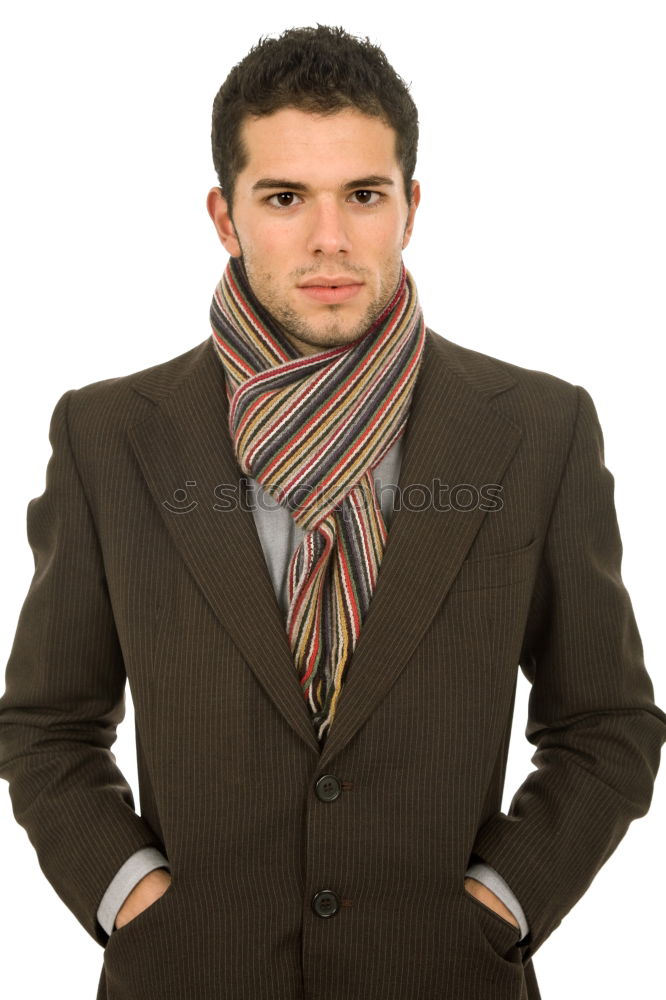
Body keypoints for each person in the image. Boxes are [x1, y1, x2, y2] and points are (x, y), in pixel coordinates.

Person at [0, 24, 664, 1000]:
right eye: (284, 198)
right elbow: (47, 723)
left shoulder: (535, 428)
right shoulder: (109, 433)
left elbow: (607, 722)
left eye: (363, 194)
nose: (329, 238)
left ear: (411, 207)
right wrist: (130, 893)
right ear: (226, 216)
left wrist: (507, 901)